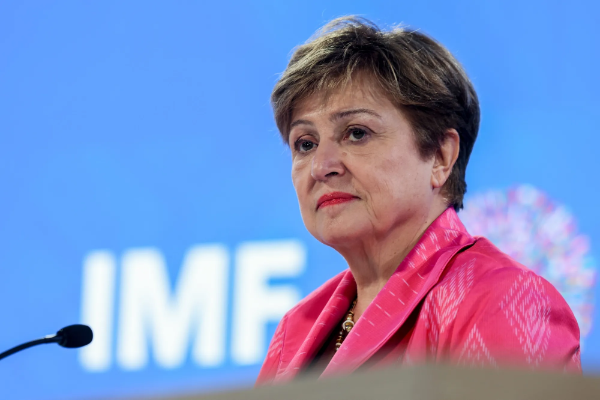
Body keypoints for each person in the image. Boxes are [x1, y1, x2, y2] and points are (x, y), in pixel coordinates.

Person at [256, 17, 581, 385]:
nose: (321, 166)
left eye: (356, 133)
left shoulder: (500, 300)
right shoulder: (295, 330)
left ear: (441, 156)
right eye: (305, 144)